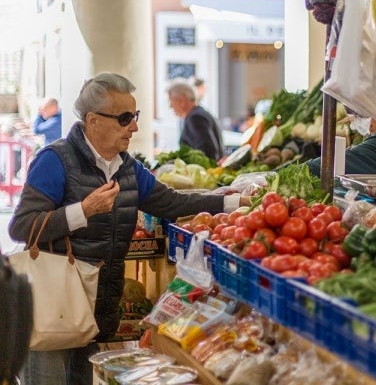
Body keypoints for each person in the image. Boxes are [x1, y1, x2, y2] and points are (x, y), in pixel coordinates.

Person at [8, 72, 247, 385]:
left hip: (96, 309)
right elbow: (22, 227)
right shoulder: (55, 160)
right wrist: (84, 210)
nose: (134, 126)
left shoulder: (127, 167)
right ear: (93, 121)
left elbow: (172, 203)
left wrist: (233, 202)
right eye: (124, 118)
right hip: (53, 308)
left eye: (134, 116)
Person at [167, 80, 224, 161]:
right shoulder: (199, 114)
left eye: (171, 100)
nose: (170, 106)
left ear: (182, 100)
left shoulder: (196, 118)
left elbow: (207, 153)